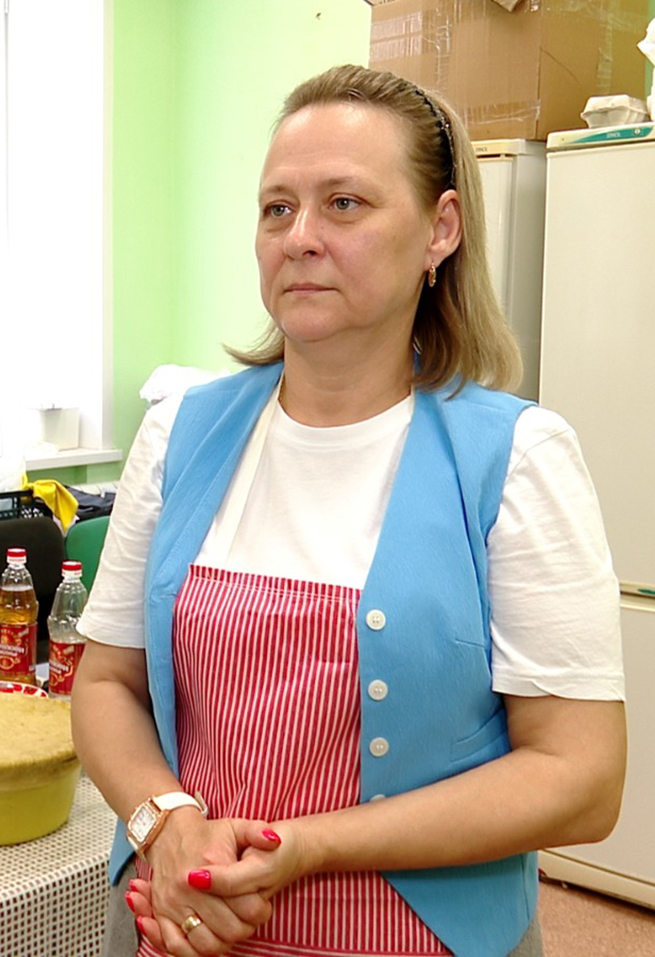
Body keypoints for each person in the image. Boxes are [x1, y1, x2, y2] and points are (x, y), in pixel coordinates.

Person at [72, 64, 627, 957]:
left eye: (344, 204)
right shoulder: (179, 434)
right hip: (180, 922)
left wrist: (307, 845)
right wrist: (165, 820)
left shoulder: (517, 458)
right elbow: (106, 684)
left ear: (440, 228)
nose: (300, 238)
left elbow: (582, 776)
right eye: (276, 208)